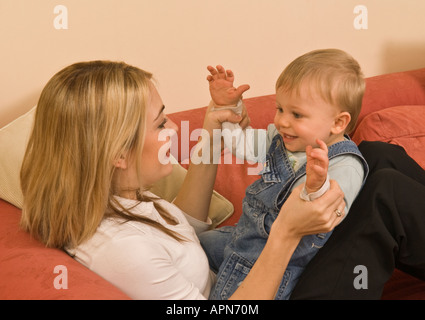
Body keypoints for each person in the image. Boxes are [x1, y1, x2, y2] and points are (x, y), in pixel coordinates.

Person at [19, 60, 346, 300]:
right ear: (118, 154)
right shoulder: (124, 251)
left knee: (380, 165)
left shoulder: (120, 197)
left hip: (242, 275)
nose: (175, 129)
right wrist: (286, 233)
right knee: (382, 188)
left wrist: (213, 128)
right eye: (161, 124)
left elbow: (182, 227)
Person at [200, 49, 369, 300]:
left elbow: (327, 212)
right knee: (193, 245)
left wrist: (316, 186)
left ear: (338, 123)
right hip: (242, 235)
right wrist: (228, 108)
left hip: (270, 263)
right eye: (280, 109)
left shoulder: (345, 164)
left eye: (296, 114)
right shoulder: (280, 139)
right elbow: (242, 144)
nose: (282, 121)